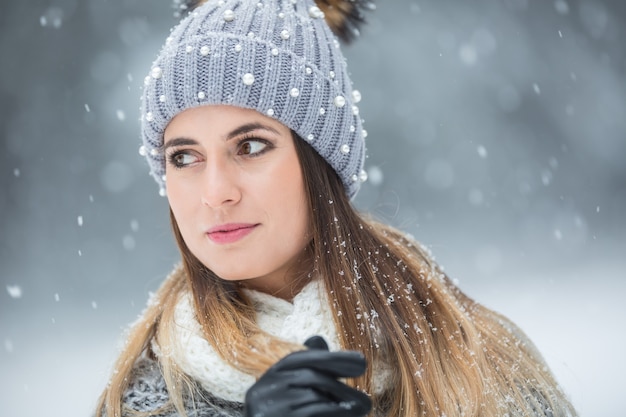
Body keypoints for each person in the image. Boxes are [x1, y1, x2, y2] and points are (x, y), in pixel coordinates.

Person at [96, 0, 577, 416]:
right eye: (184, 157)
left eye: (251, 147)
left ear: (320, 160)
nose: (216, 191)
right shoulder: (145, 398)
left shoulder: (477, 361)